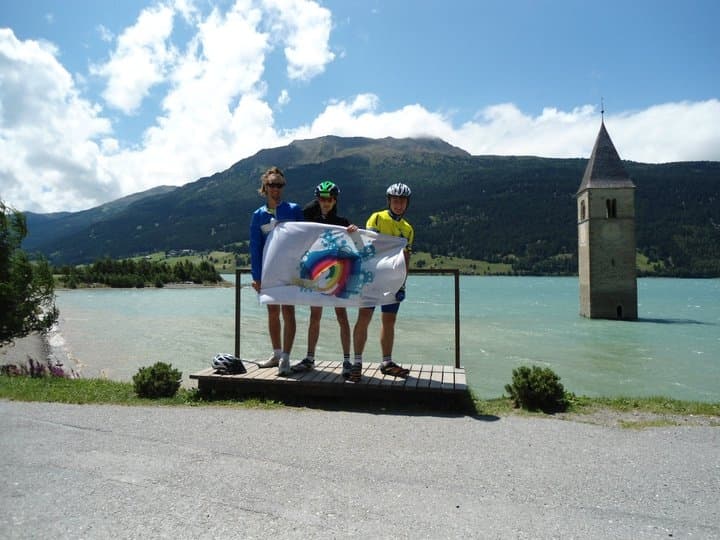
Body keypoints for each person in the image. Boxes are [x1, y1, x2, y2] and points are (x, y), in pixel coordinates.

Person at [349, 182, 413, 383]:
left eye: (402, 201)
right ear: (389, 201)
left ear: (406, 203)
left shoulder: (408, 229)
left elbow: (406, 258)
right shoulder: (377, 218)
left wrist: (403, 282)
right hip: (372, 277)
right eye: (395, 200)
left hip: (393, 281)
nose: (399, 205)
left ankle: (386, 362)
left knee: (389, 321)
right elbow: (368, 243)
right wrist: (354, 233)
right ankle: (357, 362)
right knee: (364, 317)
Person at [291, 181, 358, 373]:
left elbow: (357, 244)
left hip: (339, 273)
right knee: (315, 316)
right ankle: (310, 358)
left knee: (342, 316)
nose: (325, 202)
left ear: (335, 200)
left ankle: (347, 360)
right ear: (317, 200)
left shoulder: (343, 222)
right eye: (322, 199)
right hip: (317, 272)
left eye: (329, 199)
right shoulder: (310, 220)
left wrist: (354, 232)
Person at [249, 166, 304, 376]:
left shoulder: (294, 210)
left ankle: (286, 358)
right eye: (272, 184)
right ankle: (276, 354)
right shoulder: (258, 215)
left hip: (290, 271)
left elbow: (305, 238)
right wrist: (256, 277)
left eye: (280, 184)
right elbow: (255, 247)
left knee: (288, 311)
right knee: (272, 312)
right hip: (268, 271)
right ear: (265, 186)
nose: (276, 188)